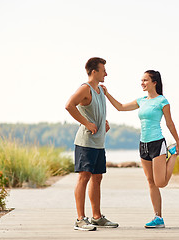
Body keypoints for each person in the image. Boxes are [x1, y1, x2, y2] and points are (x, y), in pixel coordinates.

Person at [102, 70, 179, 228]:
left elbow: (169, 123)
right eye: (141, 80)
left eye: (145, 80)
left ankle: (172, 155)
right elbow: (120, 107)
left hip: (157, 143)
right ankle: (158, 218)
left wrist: (177, 142)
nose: (142, 83)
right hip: (143, 144)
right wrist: (107, 94)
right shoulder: (141, 100)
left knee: (160, 183)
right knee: (151, 182)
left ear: (154, 82)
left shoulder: (162, 101)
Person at [65, 57, 119, 231]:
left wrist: (104, 123)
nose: (106, 73)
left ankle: (96, 217)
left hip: (98, 143)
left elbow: (96, 112)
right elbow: (69, 105)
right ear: (94, 71)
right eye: (104, 70)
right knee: (84, 177)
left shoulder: (100, 90)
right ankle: (80, 219)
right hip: (85, 142)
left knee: (97, 177)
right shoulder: (84, 89)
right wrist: (86, 123)